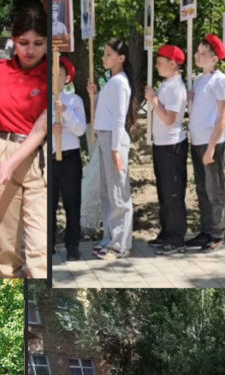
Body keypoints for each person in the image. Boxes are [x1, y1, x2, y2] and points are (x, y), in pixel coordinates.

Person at [0, 4, 47, 277]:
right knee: (5, 249)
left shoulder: (53, 74)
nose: (30, 50)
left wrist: (11, 164)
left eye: (38, 43)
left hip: (37, 158)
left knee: (41, 249)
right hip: (1, 152)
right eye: (24, 43)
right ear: (14, 40)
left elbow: (41, 129)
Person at [88, 39, 135, 259]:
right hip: (105, 139)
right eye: (104, 54)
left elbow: (119, 118)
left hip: (113, 140)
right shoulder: (112, 81)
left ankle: (120, 244)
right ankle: (109, 238)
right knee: (108, 193)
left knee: (118, 193)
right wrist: (94, 94)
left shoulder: (120, 83)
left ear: (121, 58)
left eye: (109, 54)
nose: (104, 58)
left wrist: (116, 149)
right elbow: (104, 110)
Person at [186, 35, 225, 252]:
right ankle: (206, 230)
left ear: (215, 58)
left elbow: (224, 115)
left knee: (215, 189)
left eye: (204, 53)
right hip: (197, 140)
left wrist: (212, 147)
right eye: (198, 52)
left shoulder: (220, 80)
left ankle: (218, 233)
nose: (198, 56)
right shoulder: (198, 80)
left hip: (211, 141)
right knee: (202, 189)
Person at [144, 44, 189, 255]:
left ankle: (176, 238)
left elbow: (169, 119)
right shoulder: (166, 84)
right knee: (164, 192)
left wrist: (154, 100)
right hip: (162, 145)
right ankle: (166, 232)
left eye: (160, 62)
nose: (157, 66)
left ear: (173, 64)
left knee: (173, 193)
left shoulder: (176, 88)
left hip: (172, 146)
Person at [52, 56, 86, 260]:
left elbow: (80, 129)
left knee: (72, 203)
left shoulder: (74, 101)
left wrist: (65, 112)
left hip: (70, 158)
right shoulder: (43, 99)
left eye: (60, 74)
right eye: (52, 73)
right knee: (49, 204)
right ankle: (49, 243)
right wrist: (50, 129)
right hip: (50, 158)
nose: (55, 77)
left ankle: (72, 244)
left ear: (67, 78)